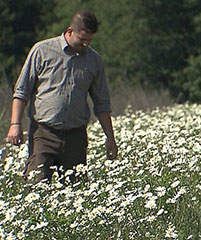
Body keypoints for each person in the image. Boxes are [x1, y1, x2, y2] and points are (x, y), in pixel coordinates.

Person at [5, 10, 118, 183]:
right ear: (70, 31)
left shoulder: (94, 61)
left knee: (76, 191)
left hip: (76, 137)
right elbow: (22, 91)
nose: (86, 44)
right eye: (82, 40)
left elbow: (102, 104)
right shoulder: (42, 51)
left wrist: (110, 138)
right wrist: (15, 124)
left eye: (90, 40)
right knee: (37, 186)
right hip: (43, 134)